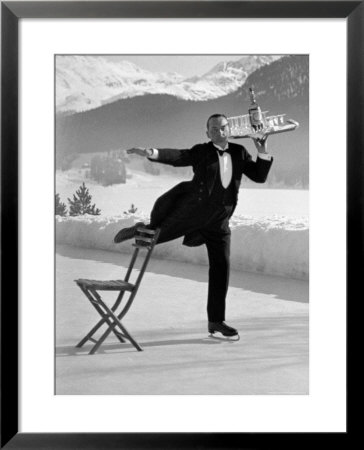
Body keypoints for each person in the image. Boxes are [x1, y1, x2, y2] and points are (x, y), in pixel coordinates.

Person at [114, 114, 273, 338]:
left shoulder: (239, 152)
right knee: (157, 235)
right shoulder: (202, 151)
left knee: (221, 268)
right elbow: (179, 156)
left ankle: (216, 321)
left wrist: (263, 150)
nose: (219, 131)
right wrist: (152, 152)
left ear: (230, 129)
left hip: (220, 220)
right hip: (193, 213)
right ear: (207, 133)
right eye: (214, 129)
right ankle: (142, 228)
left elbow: (259, 176)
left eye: (223, 127)